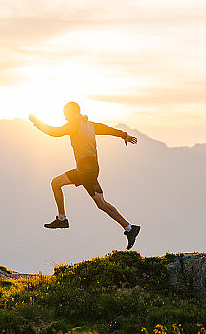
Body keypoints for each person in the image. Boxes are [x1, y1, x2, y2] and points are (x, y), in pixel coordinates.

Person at [29, 102, 141, 250]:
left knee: (101, 203)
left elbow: (54, 132)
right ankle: (62, 219)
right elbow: (108, 130)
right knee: (56, 183)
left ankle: (129, 228)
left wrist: (36, 122)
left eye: (65, 113)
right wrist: (124, 135)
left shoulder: (74, 125)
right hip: (85, 169)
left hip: (86, 171)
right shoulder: (90, 125)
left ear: (71, 113)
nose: (64, 116)